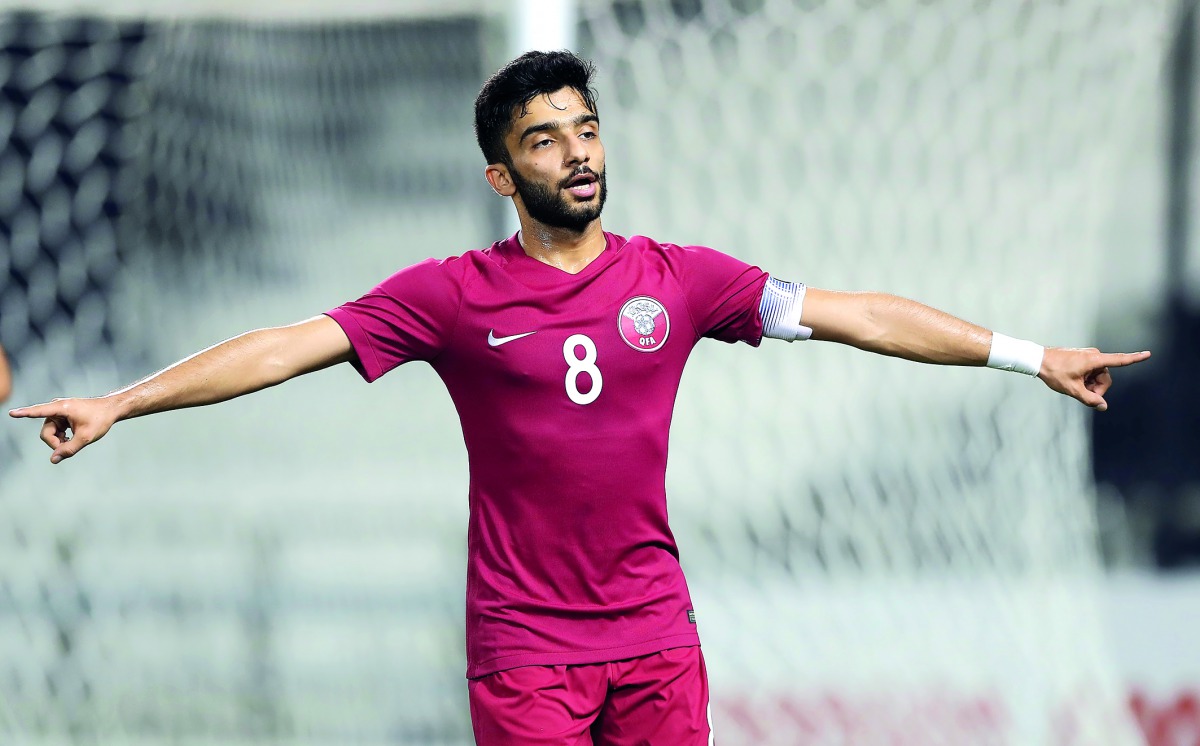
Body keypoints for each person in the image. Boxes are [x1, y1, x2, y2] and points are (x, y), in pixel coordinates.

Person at [9, 51, 1150, 745]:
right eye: (545, 140)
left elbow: (856, 313)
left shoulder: (679, 277)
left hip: (657, 632)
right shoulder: (450, 295)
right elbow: (282, 348)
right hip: (525, 650)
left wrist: (1027, 352)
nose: (577, 153)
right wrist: (120, 401)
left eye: (587, 129)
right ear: (503, 176)